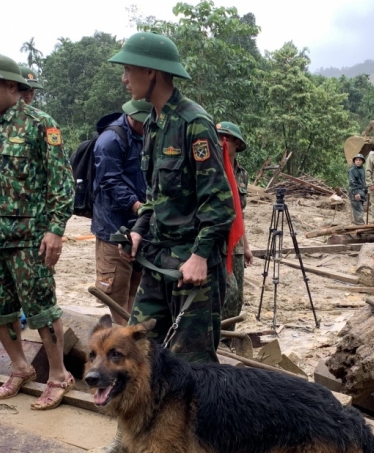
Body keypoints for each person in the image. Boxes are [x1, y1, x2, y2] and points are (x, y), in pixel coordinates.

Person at [111, 32, 234, 364]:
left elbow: (221, 204)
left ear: (151, 72)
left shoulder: (194, 123)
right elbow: (154, 195)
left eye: (128, 70)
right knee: (135, 349)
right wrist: (138, 229)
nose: (124, 79)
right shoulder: (153, 123)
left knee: (192, 367)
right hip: (159, 259)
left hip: (193, 265)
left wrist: (200, 255)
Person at [0, 54, 75, 410]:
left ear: (13, 87)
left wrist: (55, 230)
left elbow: (61, 183)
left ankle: (59, 375)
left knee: (42, 309)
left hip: (30, 239)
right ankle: (20, 367)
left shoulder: (40, 124)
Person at [92, 98, 152, 323]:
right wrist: (138, 206)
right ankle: (122, 340)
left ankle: (131, 339)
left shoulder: (146, 137)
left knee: (136, 287)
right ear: (132, 116)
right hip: (113, 226)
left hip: (139, 225)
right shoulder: (111, 140)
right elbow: (109, 181)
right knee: (117, 292)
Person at [217, 121, 253, 332]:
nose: (222, 141)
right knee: (227, 292)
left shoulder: (242, 174)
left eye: (226, 137)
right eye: (218, 136)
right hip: (216, 240)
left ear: (237, 143)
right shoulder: (211, 169)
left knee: (237, 297)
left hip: (236, 242)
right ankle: (218, 339)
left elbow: (240, 213)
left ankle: (228, 339)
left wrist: (246, 246)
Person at [348, 153, 367, 225]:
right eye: (356, 160)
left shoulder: (362, 170)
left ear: (362, 161)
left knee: (360, 210)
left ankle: (358, 224)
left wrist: (365, 191)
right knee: (359, 210)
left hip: (362, 192)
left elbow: (364, 182)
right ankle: (360, 226)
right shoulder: (352, 170)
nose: (358, 161)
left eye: (360, 160)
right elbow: (352, 182)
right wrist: (356, 193)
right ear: (354, 161)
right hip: (355, 192)